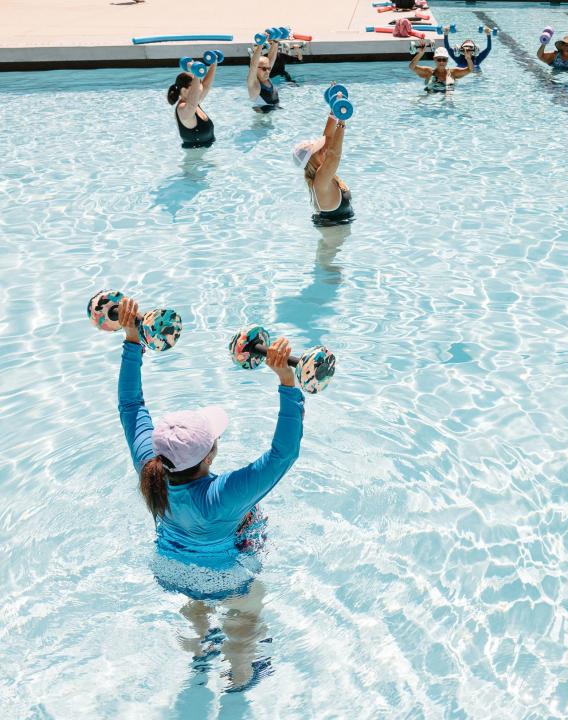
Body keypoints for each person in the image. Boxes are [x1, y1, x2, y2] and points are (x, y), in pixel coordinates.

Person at [115, 296, 304, 689]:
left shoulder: (148, 466)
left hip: (169, 568)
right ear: (210, 453)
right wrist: (288, 384)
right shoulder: (225, 494)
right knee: (245, 619)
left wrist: (133, 340)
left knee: (196, 603)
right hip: (225, 577)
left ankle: (201, 652)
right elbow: (284, 454)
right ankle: (239, 677)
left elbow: (131, 406)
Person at [293, 94, 354, 226]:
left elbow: (328, 138)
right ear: (310, 160)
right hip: (333, 238)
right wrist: (342, 122)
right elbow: (334, 155)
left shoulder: (320, 174)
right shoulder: (320, 179)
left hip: (334, 232)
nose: (323, 149)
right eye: (318, 150)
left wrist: (334, 110)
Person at [167, 59, 219, 149]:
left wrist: (214, 63)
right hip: (194, 161)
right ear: (184, 90)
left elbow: (205, 86)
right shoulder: (183, 109)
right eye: (196, 85)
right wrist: (196, 73)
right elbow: (192, 104)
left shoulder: (195, 102)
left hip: (209, 155)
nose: (199, 87)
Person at [247, 37, 281, 111]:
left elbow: (271, 58)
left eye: (268, 68)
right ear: (256, 69)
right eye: (264, 69)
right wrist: (260, 44)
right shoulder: (254, 85)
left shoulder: (266, 77)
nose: (268, 71)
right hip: (262, 121)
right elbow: (253, 66)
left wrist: (275, 41)